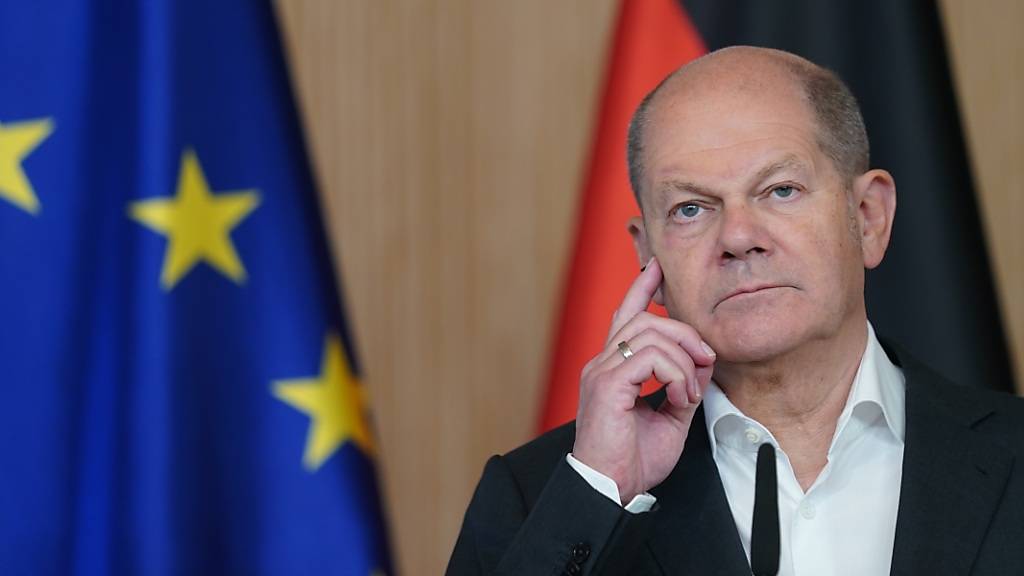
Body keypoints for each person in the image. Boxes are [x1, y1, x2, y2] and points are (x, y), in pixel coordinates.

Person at [446, 46, 1024, 576]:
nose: (740, 236)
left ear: (869, 217)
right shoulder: (536, 497)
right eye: (691, 209)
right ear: (649, 256)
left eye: (780, 191)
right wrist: (601, 493)